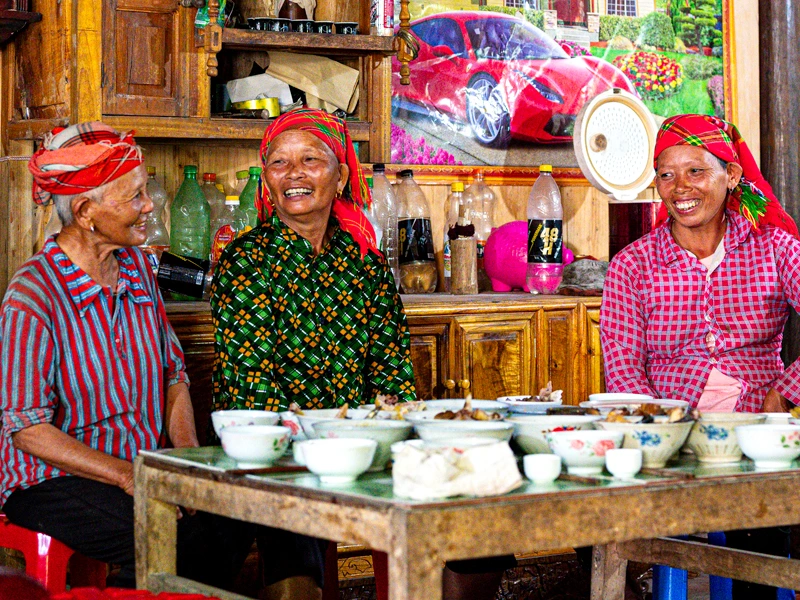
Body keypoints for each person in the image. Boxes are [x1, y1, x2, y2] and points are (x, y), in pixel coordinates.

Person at [211, 107, 510, 600]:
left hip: (366, 448)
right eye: (278, 164)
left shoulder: (364, 264)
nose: (294, 175)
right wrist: (326, 446)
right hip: (280, 457)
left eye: (310, 160)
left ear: (341, 175)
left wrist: (396, 441)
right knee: (295, 562)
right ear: (266, 179)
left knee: (477, 527)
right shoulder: (246, 259)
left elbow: (391, 374)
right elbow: (253, 395)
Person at [0, 122, 238, 590]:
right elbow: (27, 429)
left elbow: (173, 375)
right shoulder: (32, 295)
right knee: (176, 534)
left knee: (230, 518)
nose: (149, 205)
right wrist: (130, 476)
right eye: (134, 197)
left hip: (141, 467)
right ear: (86, 211)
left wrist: (186, 462)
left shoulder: (139, 270)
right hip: (52, 480)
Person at [600, 113, 800, 599]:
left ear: (732, 176)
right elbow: (624, 372)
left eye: (696, 171)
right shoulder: (633, 266)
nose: (679, 187)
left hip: (759, 438)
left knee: (764, 534)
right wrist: (662, 438)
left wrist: (784, 393)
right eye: (666, 174)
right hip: (671, 445)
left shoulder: (774, 248)